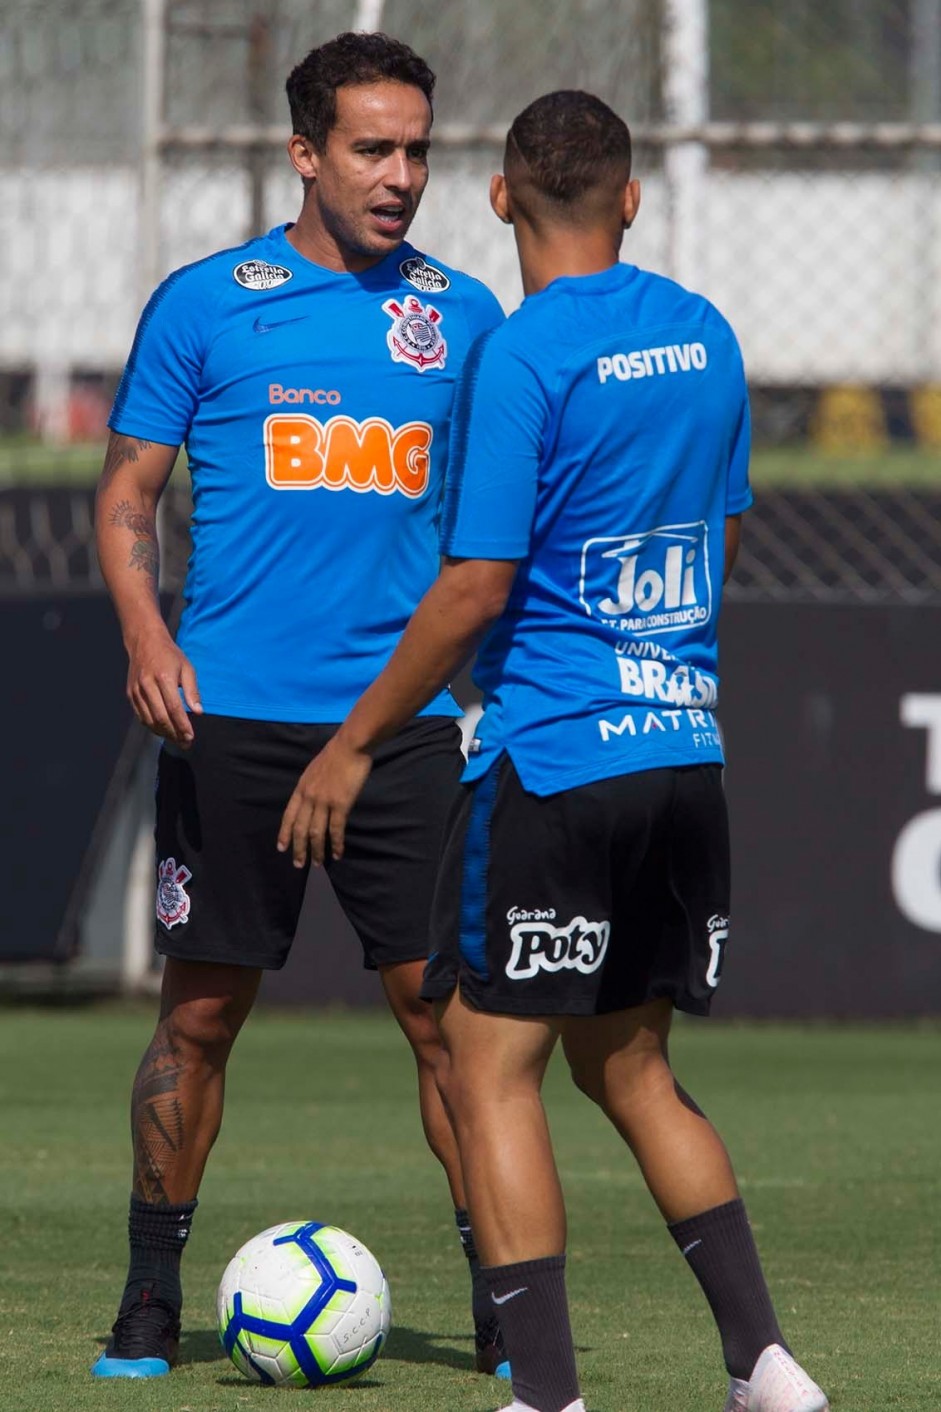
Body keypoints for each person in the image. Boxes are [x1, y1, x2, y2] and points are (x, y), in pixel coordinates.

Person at [278, 91, 831, 1412]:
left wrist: (353, 743)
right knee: (630, 1069)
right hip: (680, 750)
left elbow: (475, 583)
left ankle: (545, 1396)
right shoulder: (701, 334)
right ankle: (764, 1364)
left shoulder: (520, 358)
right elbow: (723, 532)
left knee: (487, 1071)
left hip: (555, 759)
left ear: (498, 199)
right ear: (631, 198)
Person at [91, 31, 509, 1381]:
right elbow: (123, 502)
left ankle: (506, 1296)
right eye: (372, 149)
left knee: (444, 1025)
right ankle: (152, 1294)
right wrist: (149, 631)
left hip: (398, 734)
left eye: (417, 151)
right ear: (305, 153)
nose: (400, 176)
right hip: (235, 727)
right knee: (201, 1016)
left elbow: (497, 535)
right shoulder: (209, 303)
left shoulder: (465, 317)